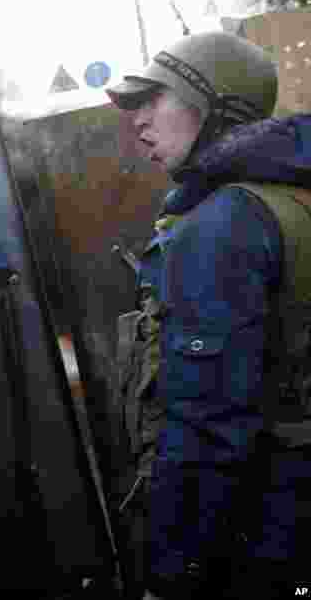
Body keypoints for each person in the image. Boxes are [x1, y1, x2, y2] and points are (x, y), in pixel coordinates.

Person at [107, 31, 311, 599]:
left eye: (153, 99)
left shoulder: (223, 225)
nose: (138, 122)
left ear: (214, 103)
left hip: (264, 533)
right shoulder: (293, 197)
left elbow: (208, 426)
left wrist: (172, 576)